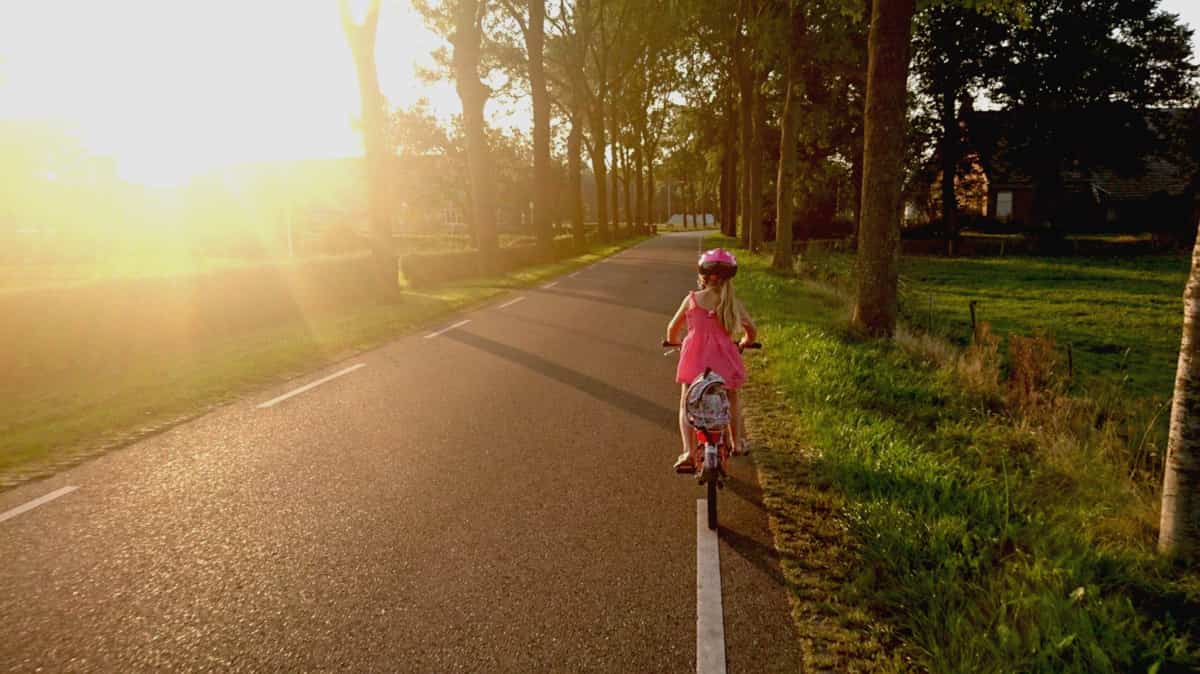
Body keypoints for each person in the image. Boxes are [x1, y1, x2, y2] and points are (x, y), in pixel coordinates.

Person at [666, 248, 757, 471]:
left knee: (686, 401)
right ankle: (736, 444)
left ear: (703, 277)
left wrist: (675, 342)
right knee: (732, 396)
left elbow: (672, 330)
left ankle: (688, 452)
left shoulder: (692, 300)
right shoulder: (732, 303)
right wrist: (745, 342)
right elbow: (751, 330)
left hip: (694, 360)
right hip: (725, 360)